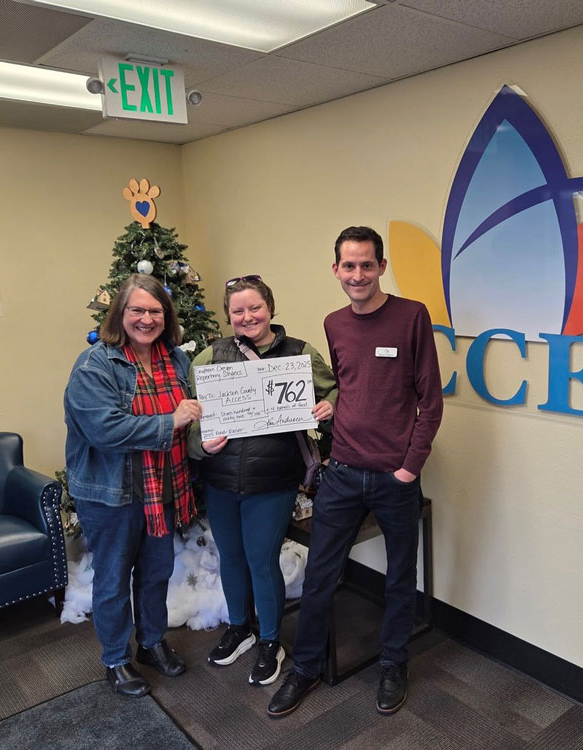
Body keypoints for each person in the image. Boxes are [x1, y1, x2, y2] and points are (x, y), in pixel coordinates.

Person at [268, 226, 443, 717]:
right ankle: (304, 669)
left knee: (398, 577)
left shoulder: (411, 316)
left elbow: (430, 401)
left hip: (395, 477)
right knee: (321, 577)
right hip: (342, 472)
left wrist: (410, 468)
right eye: (349, 265)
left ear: (381, 267)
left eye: (367, 264)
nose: (358, 274)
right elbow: (346, 386)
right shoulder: (334, 323)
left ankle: (393, 662)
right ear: (336, 270)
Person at [189, 275, 337, 687]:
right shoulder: (208, 358)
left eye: (255, 307)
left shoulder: (299, 354)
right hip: (219, 479)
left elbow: (337, 392)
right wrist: (202, 446)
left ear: (270, 307)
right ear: (228, 315)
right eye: (238, 310)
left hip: (272, 481)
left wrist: (328, 407)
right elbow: (191, 419)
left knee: (261, 559)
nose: (247, 316)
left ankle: (271, 640)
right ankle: (240, 628)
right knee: (231, 558)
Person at [64, 274, 202, 698]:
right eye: (137, 310)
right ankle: (116, 660)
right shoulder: (95, 366)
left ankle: (151, 642)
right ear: (120, 314)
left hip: (163, 488)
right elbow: (106, 430)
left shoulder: (176, 359)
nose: (146, 319)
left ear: (167, 315)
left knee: (157, 572)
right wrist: (171, 420)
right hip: (112, 493)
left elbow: (195, 409)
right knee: (112, 579)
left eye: (155, 311)